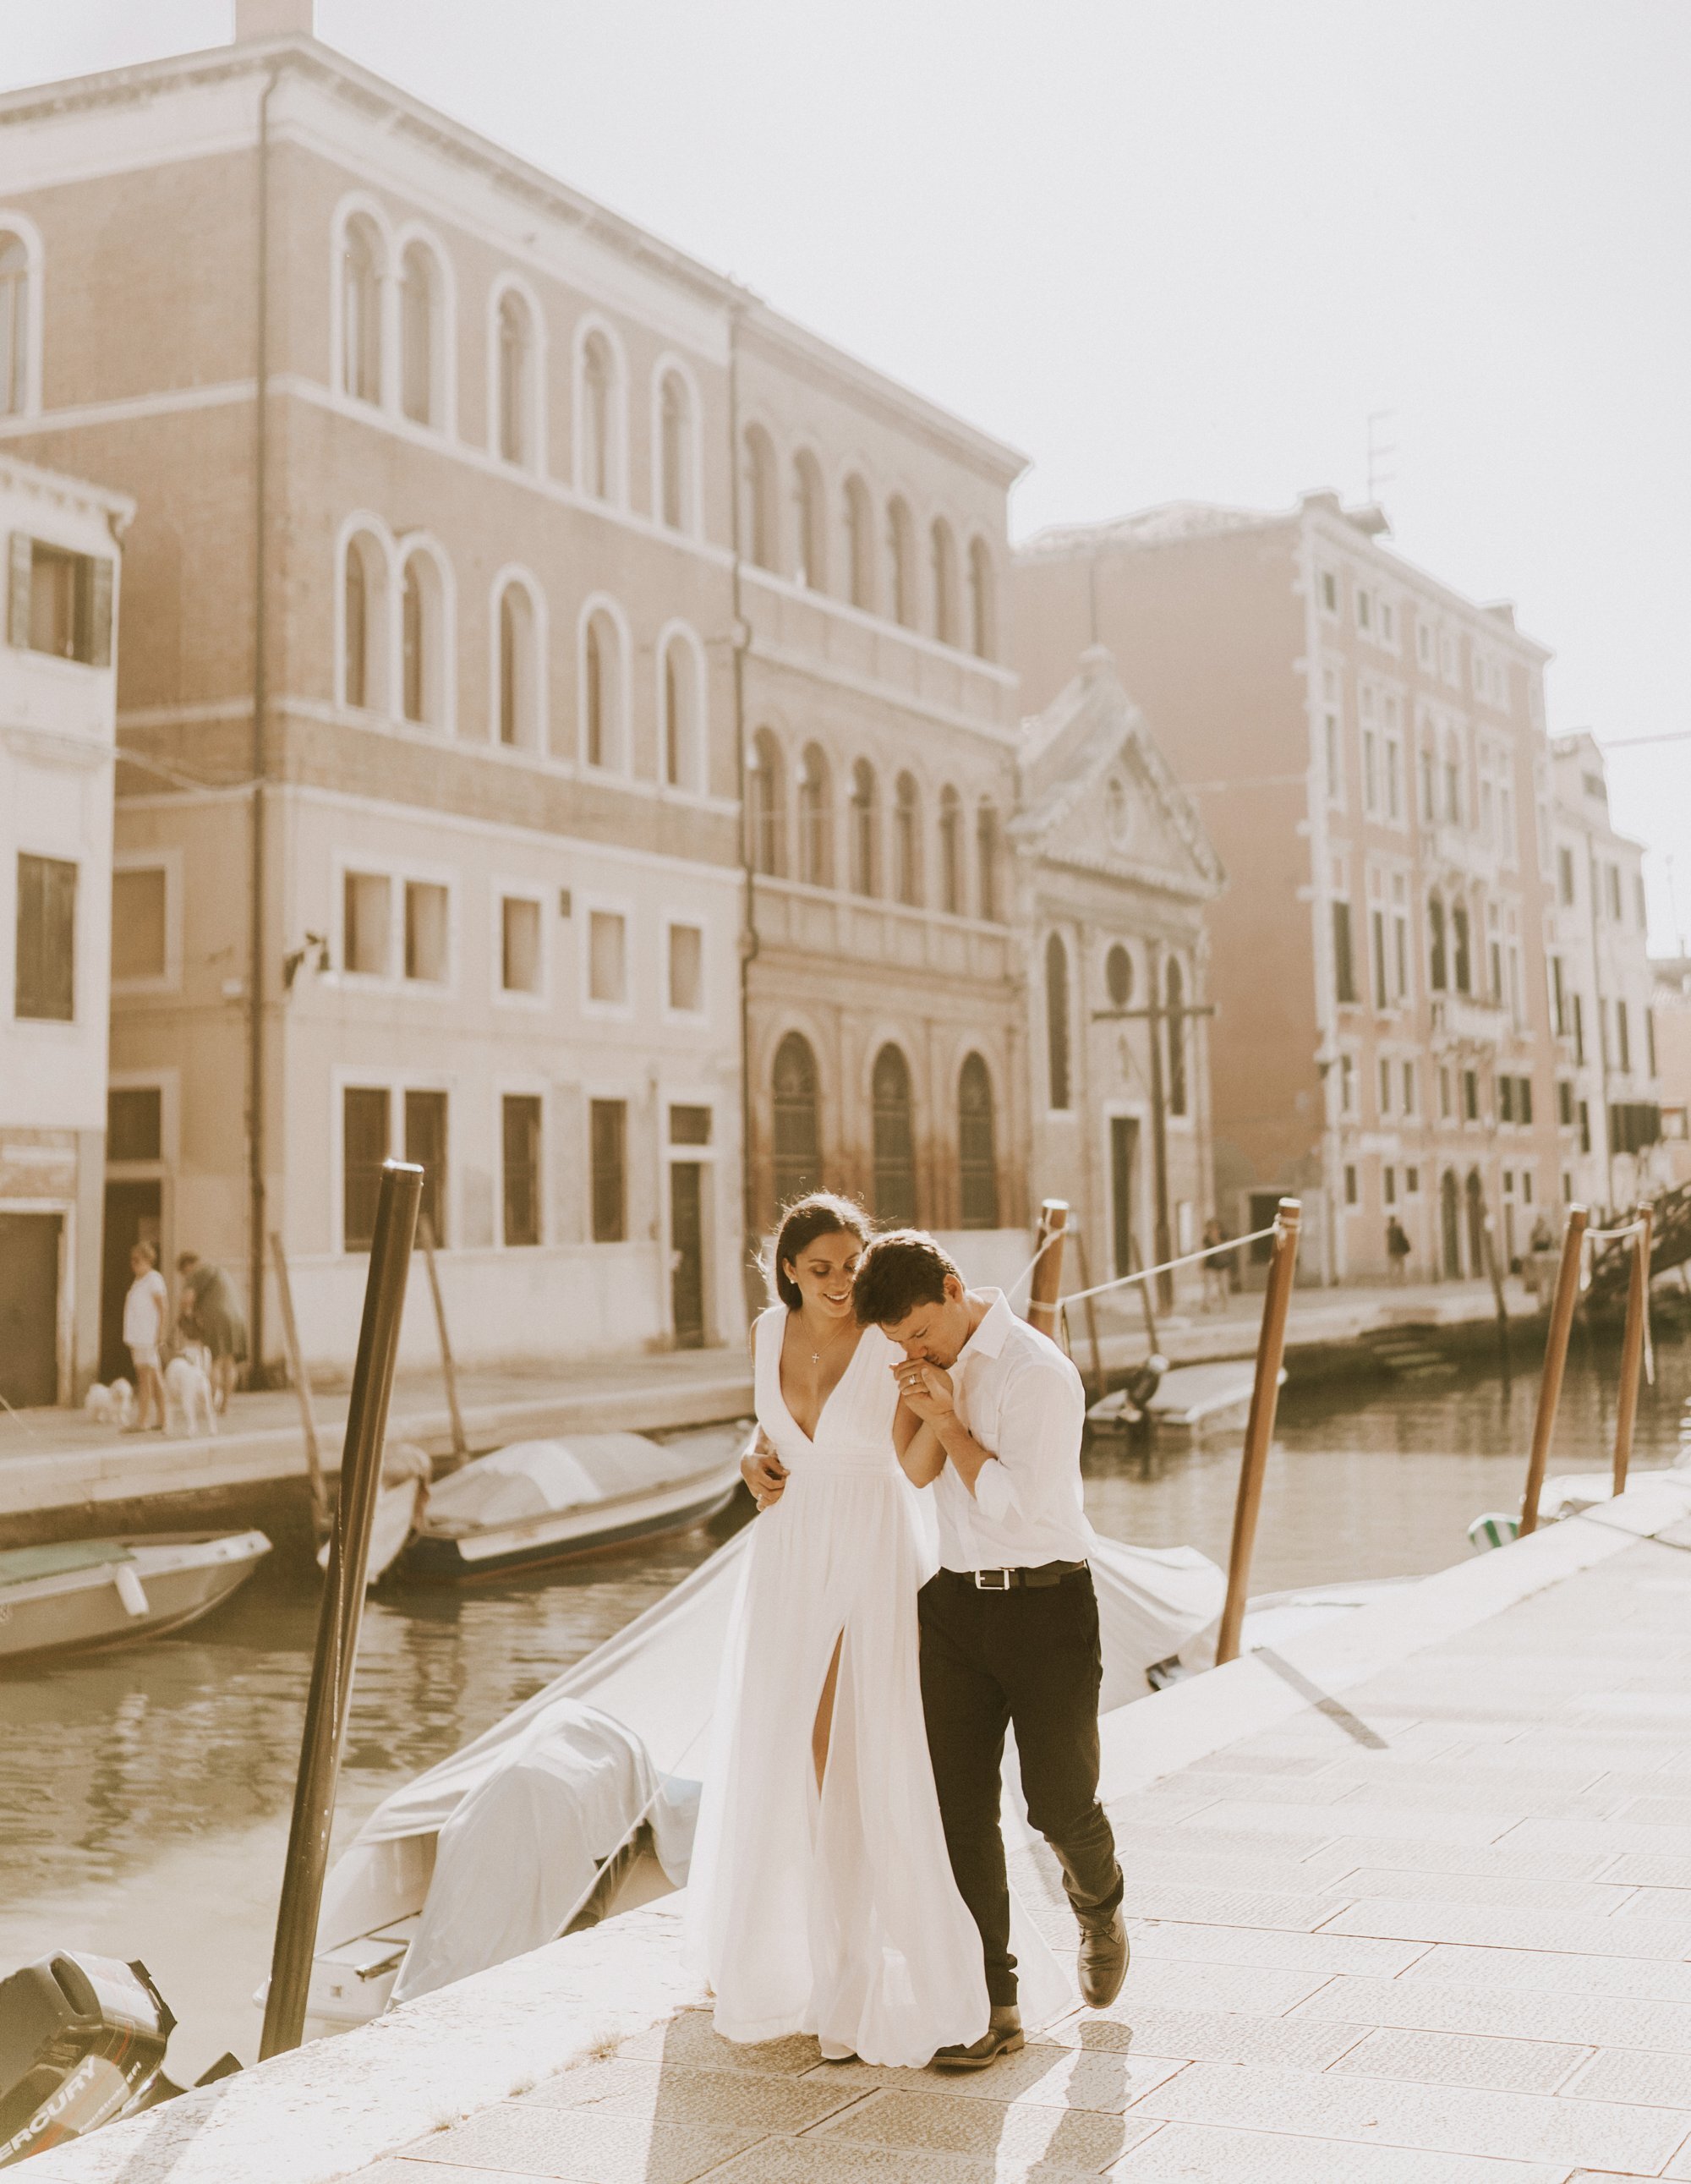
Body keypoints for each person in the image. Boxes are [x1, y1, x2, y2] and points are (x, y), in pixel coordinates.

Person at [687, 1194, 990, 2068]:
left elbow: (914, 1466)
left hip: (868, 1546)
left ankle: (861, 1980)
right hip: (787, 1551)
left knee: (861, 1752)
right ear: (785, 1269)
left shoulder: (884, 1340)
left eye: (848, 1268)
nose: (837, 1284)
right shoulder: (761, 1334)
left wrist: (943, 1413)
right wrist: (751, 1456)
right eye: (818, 1269)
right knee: (787, 1745)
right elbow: (773, 1428)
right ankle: (796, 1961)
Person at [851, 1229, 1128, 2070]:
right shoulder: (926, 1365)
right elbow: (911, 1471)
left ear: (952, 1285)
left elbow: (1009, 1503)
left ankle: (1099, 1904)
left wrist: (945, 1414)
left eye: (917, 1331)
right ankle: (993, 2008)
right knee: (958, 1813)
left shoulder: (1037, 1374)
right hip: (951, 1608)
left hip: (1046, 1607)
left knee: (1056, 1803)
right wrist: (919, 1402)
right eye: (895, 1341)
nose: (910, 1350)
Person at [176, 1252, 248, 1413]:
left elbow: (187, 1299)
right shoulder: (218, 1270)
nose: (184, 1277)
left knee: (216, 1361)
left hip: (216, 1319)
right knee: (229, 1362)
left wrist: (182, 1315)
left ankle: (211, 1404)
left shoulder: (196, 1273)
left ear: (187, 1265)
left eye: (183, 1273)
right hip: (237, 1317)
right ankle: (225, 1405)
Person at [121, 1240, 168, 1432]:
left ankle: (143, 1421)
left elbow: (163, 1306)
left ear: (148, 1260)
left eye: (137, 1260)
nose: (133, 1264)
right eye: (132, 1260)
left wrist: (161, 1332)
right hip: (139, 1336)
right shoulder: (139, 1281)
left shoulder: (153, 1279)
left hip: (147, 1337)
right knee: (154, 1377)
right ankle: (163, 1420)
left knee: (145, 1378)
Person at [1200, 1217, 1232, 1311]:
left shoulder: (1224, 1236)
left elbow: (1230, 1248)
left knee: (1224, 1286)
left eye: (1215, 1227)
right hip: (1211, 1265)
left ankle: (1225, 1305)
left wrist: (1219, 1243)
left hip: (1222, 1265)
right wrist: (1202, 1263)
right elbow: (1204, 1251)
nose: (1213, 1229)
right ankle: (1206, 1305)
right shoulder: (1206, 1238)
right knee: (1208, 1286)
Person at [1385, 1215, 1412, 1284]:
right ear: (1395, 1220)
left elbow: (1389, 1241)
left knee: (1392, 1267)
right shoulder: (1399, 1228)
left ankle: (1391, 1282)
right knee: (1401, 1267)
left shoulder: (1388, 1230)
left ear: (1390, 1221)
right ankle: (1402, 1282)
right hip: (1399, 1251)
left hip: (1392, 1251)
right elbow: (1403, 1239)